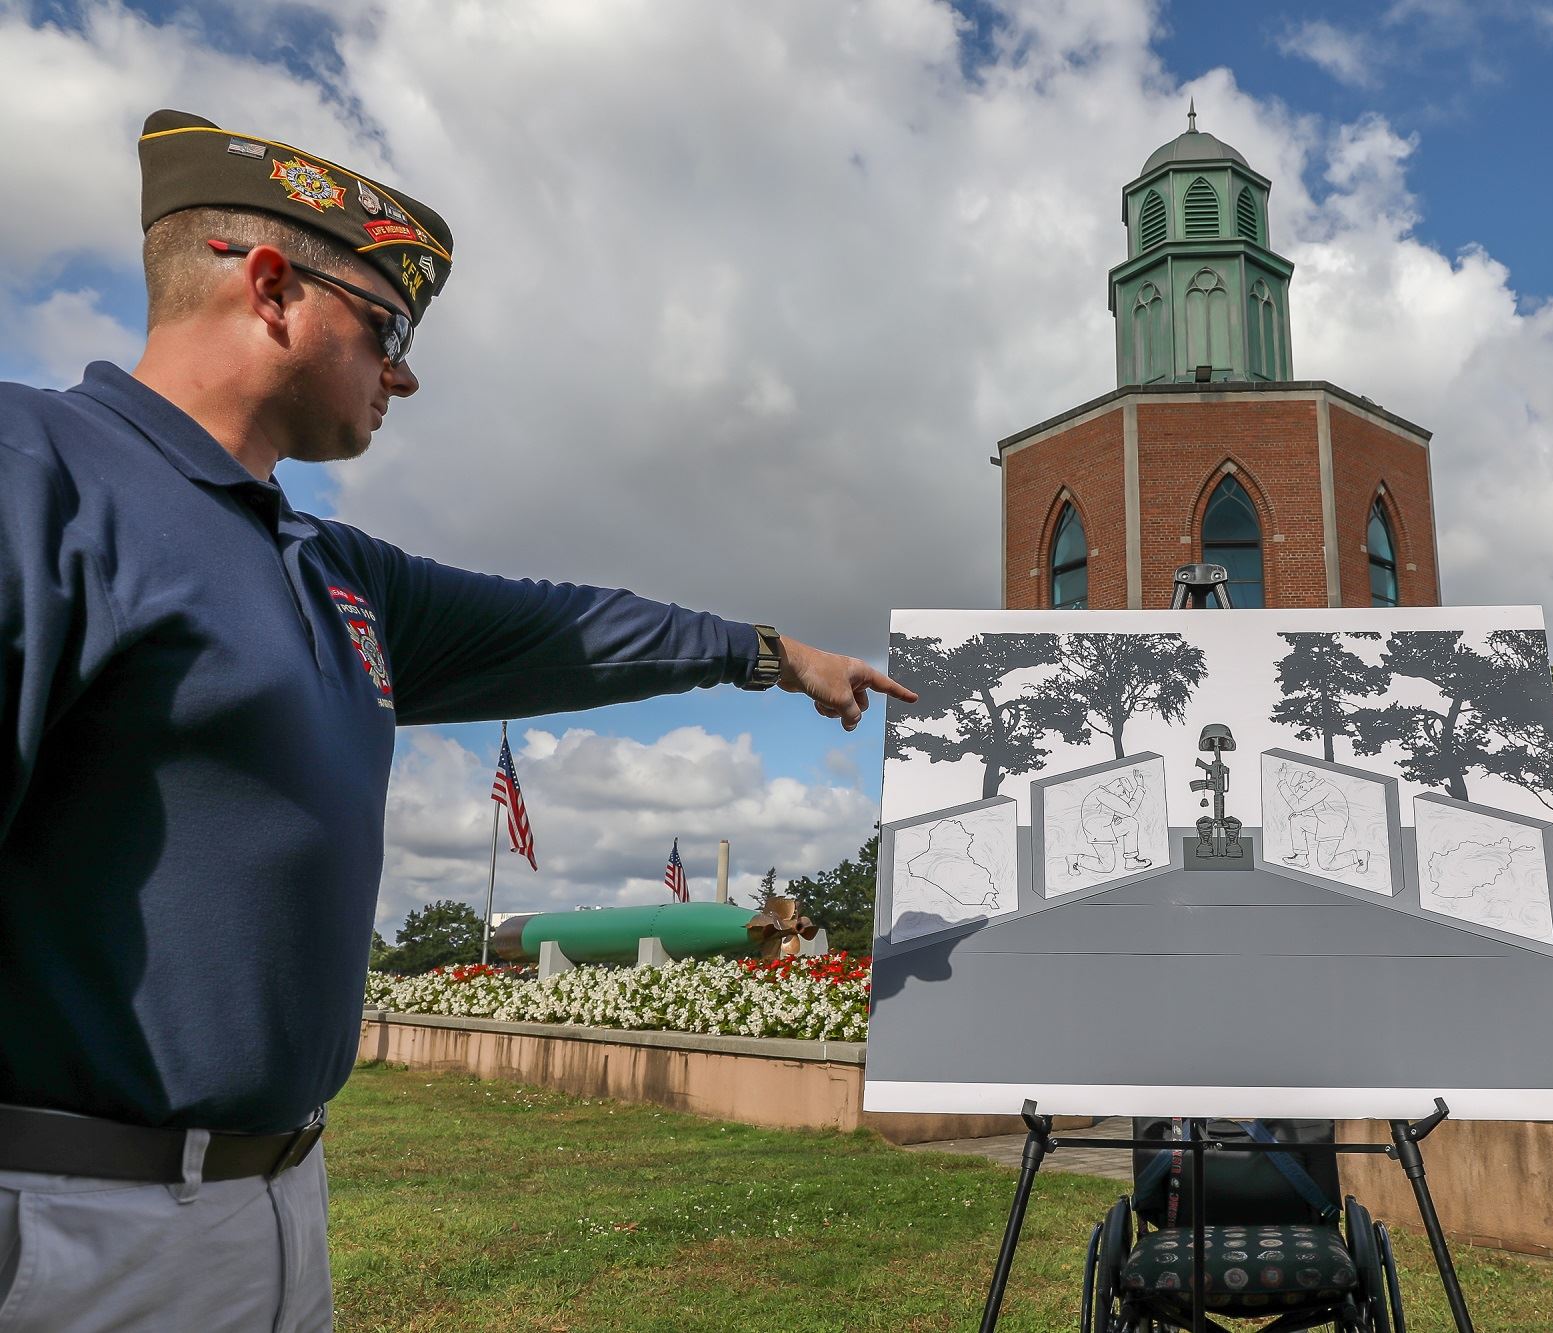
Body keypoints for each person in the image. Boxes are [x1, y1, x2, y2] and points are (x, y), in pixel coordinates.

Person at [0, 110, 913, 1331]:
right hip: (68, 1225)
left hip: (275, 1204)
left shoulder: (330, 566)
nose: (405, 370)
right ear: (270, 286)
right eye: (387, 325)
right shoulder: (38, 473)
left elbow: (564, 629)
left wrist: (766, 653)